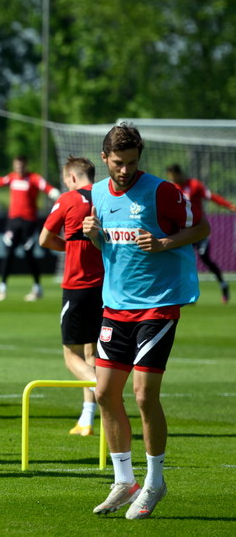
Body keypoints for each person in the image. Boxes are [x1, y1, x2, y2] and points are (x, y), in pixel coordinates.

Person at [83, 123, 209, 519]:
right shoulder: (98, 192)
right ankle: (125, 480)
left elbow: (201, 228)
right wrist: (93, 235)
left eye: (133, 163)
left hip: (158, 305)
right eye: (119, 163)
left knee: (142, 394)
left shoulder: (162, 192)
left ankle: (155, 481)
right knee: (104, 393)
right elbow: (110, 243)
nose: (125, 170)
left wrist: (164, 243)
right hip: (114, 306)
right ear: (105, 159)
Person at [39, 156, 104, 436]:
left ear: (73, 178)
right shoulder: (108, 196)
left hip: (77, 286)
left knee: (71, 356)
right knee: (93, 351)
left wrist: (70, 247)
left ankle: (102, 389)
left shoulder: (68, 199)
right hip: (107, 287)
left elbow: (45, 238)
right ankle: (87, 418)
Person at [0, 156, 60, 301]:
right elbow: (0, 181)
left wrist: (54, 193)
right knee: (9, 253)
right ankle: (2, 287)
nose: (19, 168)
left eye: (21, 166)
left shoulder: (33, 178)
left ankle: (37, 288)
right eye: (17, 166)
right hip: (13, 222)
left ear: (25, 165)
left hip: (28, 222)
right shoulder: (12, 178)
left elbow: (45, 187)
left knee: (29, 254)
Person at [165, 164, 236, 303]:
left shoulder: (194, 185)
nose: (172, 179)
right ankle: (187, 294)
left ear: (179, 174)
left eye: (173, 176)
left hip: (199, 230)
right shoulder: (172, 189)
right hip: (184, 232)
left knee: (205, 259)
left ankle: (223, 284)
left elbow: (212, 196)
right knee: (182, 261)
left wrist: (229, 205)